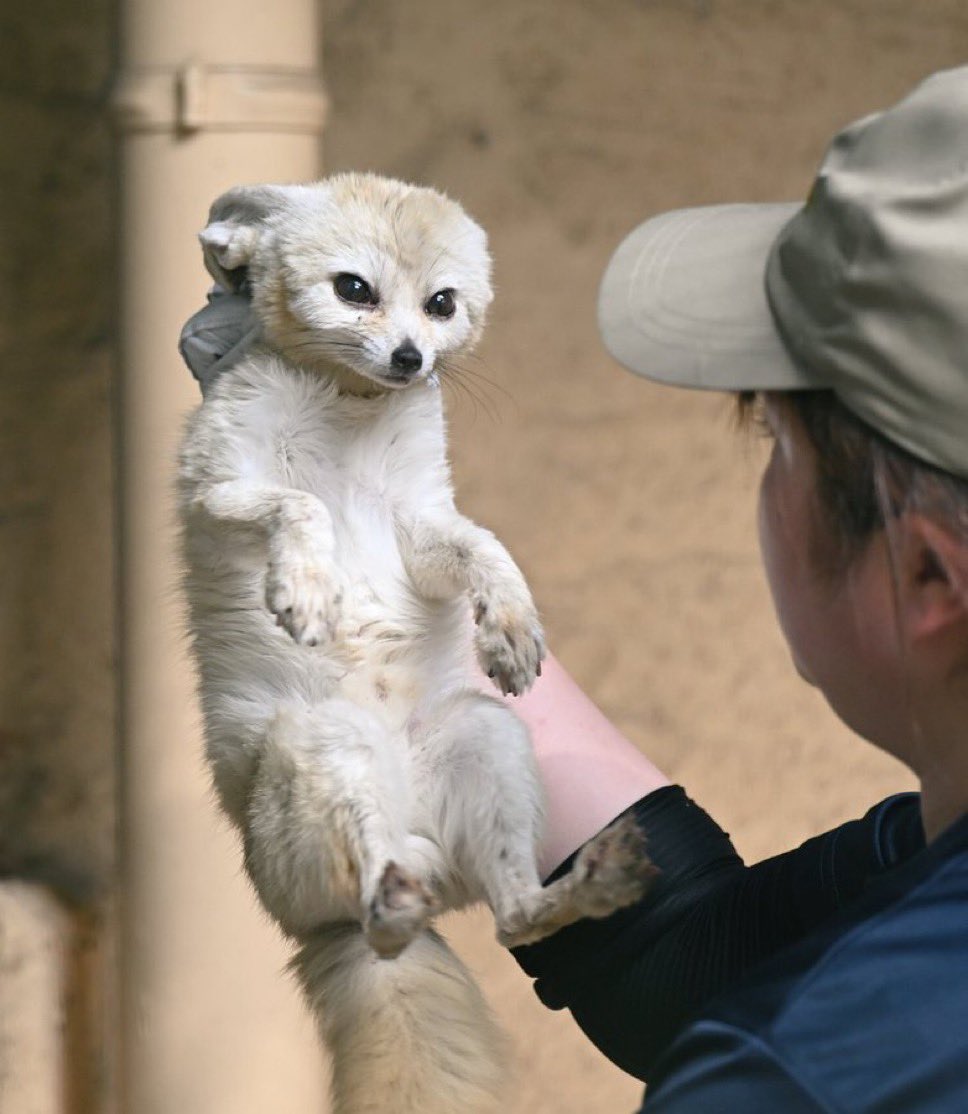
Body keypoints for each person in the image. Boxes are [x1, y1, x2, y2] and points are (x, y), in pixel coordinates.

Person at [180, 67, 968, 1111]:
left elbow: (773, 1023)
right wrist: (345, 501)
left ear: (923, 573)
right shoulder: (915, 880)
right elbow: (703, 965)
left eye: (772, 438)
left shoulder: (786, 1083)